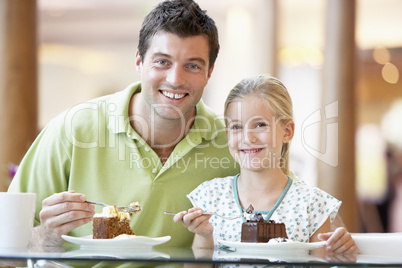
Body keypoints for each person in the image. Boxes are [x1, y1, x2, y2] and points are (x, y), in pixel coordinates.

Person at [8, 0, 351, 249]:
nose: (175, 79)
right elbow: (9, 247)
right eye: (162, 61)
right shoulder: (72, 129)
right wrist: (48, 235)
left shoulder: (233, 138)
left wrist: (338, 240)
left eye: (192, 65)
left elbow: (293, 202)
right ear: (139, 62)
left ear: (209, 73)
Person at [174, 74, 358, 254]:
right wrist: (205, 236)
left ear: (287, 131)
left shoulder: (313, 205)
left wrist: (341, 255)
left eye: (260, 125)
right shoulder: (210, 197)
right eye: (237, 127)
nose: (248, 138)